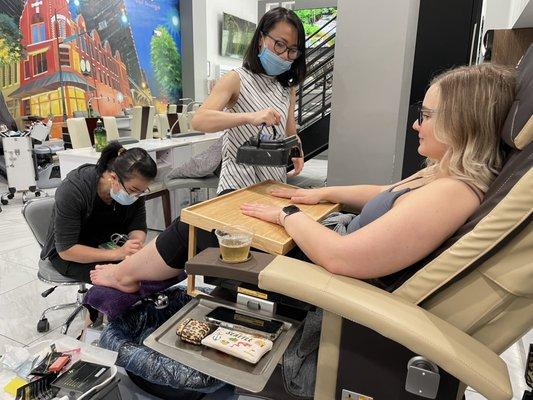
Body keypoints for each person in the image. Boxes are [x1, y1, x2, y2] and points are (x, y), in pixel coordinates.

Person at [90, 63, 515, 297]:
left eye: (426, 115)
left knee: (198, 223)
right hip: (325, 237)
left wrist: (288, 213)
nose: (416, 126)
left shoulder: (452, 194)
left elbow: (343, 260)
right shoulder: (445, 176)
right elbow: (390, 193)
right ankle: (139, 272)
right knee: (216, 215)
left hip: (324, 269)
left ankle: (125, 275)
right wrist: (318, 194)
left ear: (461, 122)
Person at [191, 6, 307, 194]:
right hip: (237, 184)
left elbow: (289, 131)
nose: (285, 55)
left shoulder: (287, 88)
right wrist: (249, 117)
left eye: (292, 50)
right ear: (261, 38)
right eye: (280, 44)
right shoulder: (235, 79)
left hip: (273, 184)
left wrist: (296, 151)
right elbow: (199, 121)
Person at [41, 142, 157, 284]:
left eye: (141, 191)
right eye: (134, 190)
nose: (137, 195)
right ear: (113, 177)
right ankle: (97, 304)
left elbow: (137, 226)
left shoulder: (133, 188)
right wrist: (118, 254)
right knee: (129, 283)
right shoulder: (73, 190)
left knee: (152, 272)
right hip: (72, 255)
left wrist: (134, 245)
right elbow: (66, 250)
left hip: (109, 245)